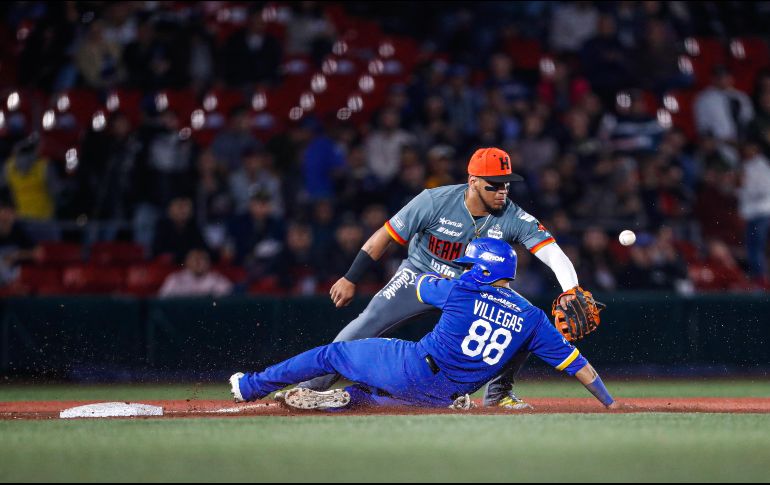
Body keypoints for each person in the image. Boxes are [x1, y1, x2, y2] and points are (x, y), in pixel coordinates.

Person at [299, 147, 604, 409]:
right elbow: (384, 236)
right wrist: (351, 277)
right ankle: (311, 388)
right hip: (419, 277)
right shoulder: (434, 201)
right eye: (494, 185)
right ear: (473, 181)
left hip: (474, 289)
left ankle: (498, 394)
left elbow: (552, 252)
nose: (502, 192)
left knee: (522, 319)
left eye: (506, 185)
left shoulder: (513, 214)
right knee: (365, 324)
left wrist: (571, 288)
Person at [230, 238, 620, 412]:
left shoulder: (462, 290)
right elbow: (580, 367)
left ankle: (250, 387)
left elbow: (419, 285)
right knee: (369, 398)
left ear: (482, 268)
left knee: (333, 354)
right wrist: (610, 403)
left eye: (471, 264)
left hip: (412, 365)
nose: (465, 268)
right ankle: (350, 400)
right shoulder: (533, 318)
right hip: (442, 396)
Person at [159, 249, 232, 298]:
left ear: (208, 263)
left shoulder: (218, 279)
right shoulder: (175, 279)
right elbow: (163, 300)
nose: (198, 263)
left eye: (202, 260)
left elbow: (226, 300)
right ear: (187, 262)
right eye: (194, 259)